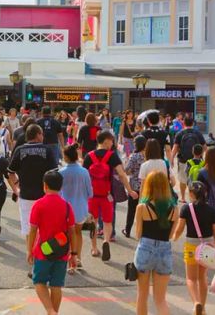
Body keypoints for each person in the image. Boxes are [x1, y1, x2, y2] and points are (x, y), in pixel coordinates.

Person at [8, 124, 59, 277]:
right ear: (37, 134)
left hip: (26, 196)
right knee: (45, 230)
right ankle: (44, 260)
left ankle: (33, 263)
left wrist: (16, 188)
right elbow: (54, 174)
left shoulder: (19, 150)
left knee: (30, 230)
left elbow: (10, 172)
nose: (43, 136)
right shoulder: (47, 150)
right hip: (45, 196)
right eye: (42, 133)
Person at [27, 170, 77, 315]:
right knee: (56, 286)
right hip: (62, 253)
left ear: (45, 185)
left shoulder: (39, 205)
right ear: (61, 187)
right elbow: (72, 231)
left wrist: (29, 250)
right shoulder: (67, 206)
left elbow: (33, 230)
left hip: (43, 251)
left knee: (39, 282)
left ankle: (50, 310)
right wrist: (73, 253)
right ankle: (54, 311)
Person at [83, 131, 138, 260]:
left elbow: (83, 177)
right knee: (108, 222)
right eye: (111, 141)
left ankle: (94, 248)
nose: (112, 144)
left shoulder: (89, 156)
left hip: (92, 195)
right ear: (106, 141)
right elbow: (122, 174)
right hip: (107, 195)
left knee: (93, 223)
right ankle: (106, 241)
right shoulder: (112, 156)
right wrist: (129, 190)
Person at [172, 181, 215, 315]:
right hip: (207, 247)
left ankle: (196, 303)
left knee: (191, 278)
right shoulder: (212, 210)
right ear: (205, 193)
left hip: (191, 246)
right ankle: (203, 307)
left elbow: (179, 229)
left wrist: (174, 238)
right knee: (202, 277)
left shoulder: (186, 209)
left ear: (190, 193)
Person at [134, 171, 178, 315]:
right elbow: (171, 235)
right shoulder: (174, 209)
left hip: (145, 248)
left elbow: (138, 234)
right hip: (165, 250)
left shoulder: (142, 207)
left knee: (142, 295)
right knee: (160, 299)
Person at [59, 143, 92, 273]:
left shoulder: (61, 172)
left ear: (66, 157)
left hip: (66, 209)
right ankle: (77, 258)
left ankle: (69, 262)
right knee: (78, 233)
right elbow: (90, 193)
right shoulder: (84, 172)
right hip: (81, 208)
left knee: (67, 235)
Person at [171, 116, 207, 202]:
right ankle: (194, 198)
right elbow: (205, 147)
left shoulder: (180, 133)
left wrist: (172, 159)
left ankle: (183, 198)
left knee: (182, 180)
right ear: (193, 123)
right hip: (197, 161)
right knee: (195, 179)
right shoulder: (198, 133)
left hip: (183, 160)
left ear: (183, 123)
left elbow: (175, 147)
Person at [123, 135, 147, 238]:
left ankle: (127, 230)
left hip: (134, 187)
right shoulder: (147, 156)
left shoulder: (134, 156)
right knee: (144, 211)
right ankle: (143, 232)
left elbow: (127, 171)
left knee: (131, 211)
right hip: (145, 187)